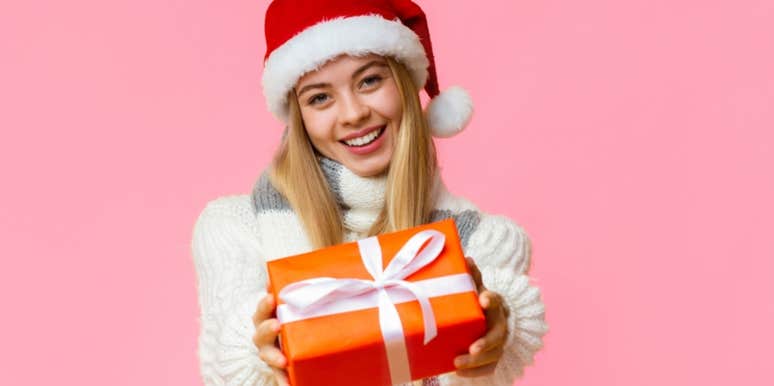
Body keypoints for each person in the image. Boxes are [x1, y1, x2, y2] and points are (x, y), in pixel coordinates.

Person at [191, 1, 548, 385]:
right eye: (319, 98)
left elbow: (485, 354)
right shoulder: (235, 228)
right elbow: (223, 367)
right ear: (301, 119)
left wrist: (497, 330)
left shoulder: (480, 240)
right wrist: (259, 352)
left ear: (406, 84)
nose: (352, 114)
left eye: (369, 81)